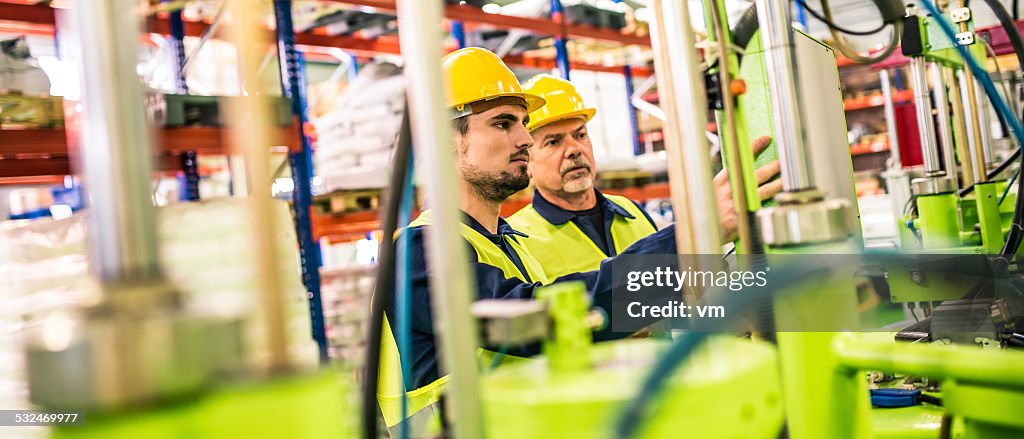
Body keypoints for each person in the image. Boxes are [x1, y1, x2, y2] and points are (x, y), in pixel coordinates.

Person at [376, 48, 677, 433]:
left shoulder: (512, 248)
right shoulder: (417, 254)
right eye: (503, 124)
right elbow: (531, 321)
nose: (525, 139)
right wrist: (682, 243)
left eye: (522, 123)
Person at [508, 74, 782, 279]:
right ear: (527, 160)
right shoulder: (520, 240)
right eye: (554, 142)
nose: (574, 150)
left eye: (580, 135)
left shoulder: (630, 211)